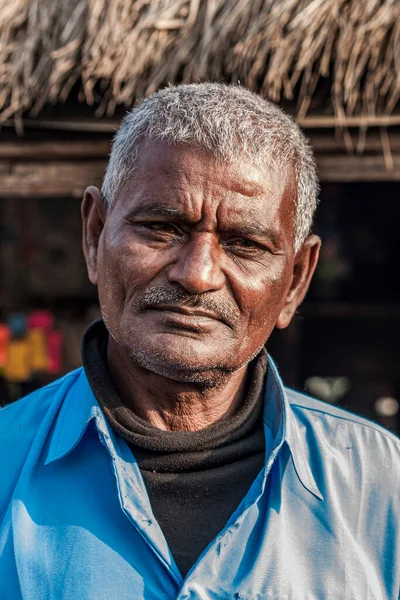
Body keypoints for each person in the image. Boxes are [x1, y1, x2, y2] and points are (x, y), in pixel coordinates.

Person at [0, 83, 399, 600]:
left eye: (245, 244)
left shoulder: (382, 486)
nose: (198, 274)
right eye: (161, 228)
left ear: (296, 280)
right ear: (95, 235)